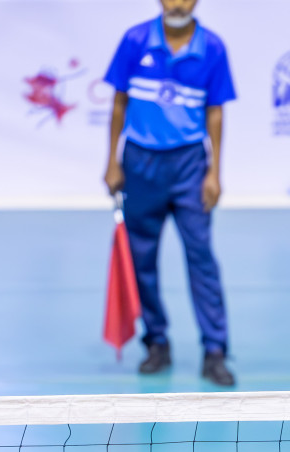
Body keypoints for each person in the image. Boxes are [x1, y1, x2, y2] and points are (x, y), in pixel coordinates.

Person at [103, 0, 238, 387]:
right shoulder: (134, 40)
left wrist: (214, 171)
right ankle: (156, 342)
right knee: (141, 258)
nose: (178, 3)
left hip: (190, 166)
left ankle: (215, 350)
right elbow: (118, 103)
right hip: (140, 163)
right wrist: (113, 162)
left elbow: (215, 111)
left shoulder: (213, 48)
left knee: (202, 258)